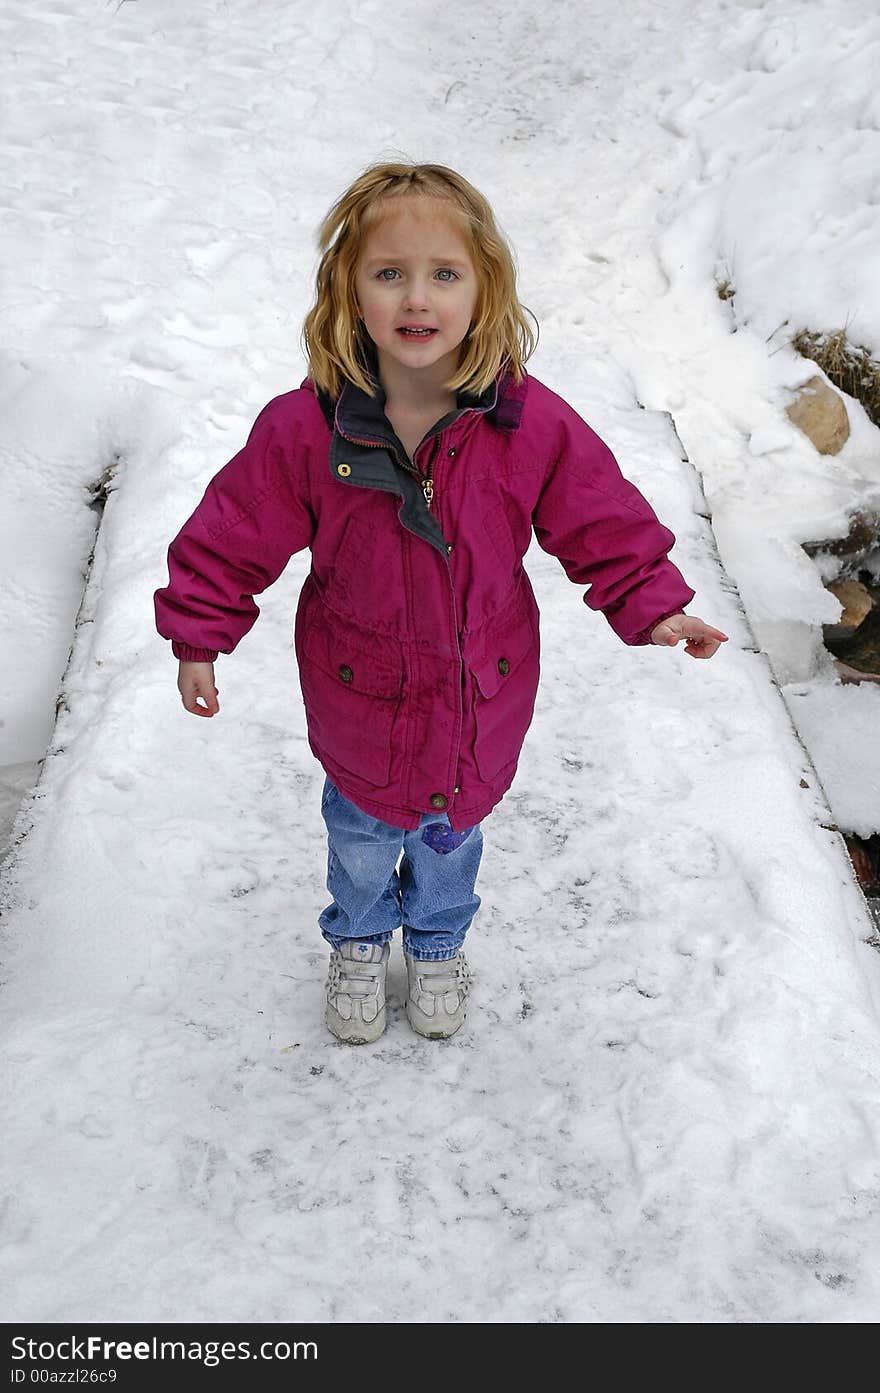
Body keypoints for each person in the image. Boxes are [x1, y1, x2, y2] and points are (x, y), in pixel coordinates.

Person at [154, 162, 727, 1046]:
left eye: (443, 273)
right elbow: (232, 534)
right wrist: (199, 633)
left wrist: (652, 602)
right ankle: (357, 936)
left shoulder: (529, 425)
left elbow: (601, 517)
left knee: (451, 840)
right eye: (389, 273)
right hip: (360, 701)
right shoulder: (304, 428)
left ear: (484, 287)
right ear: (349, 289)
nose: (416, 297)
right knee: (357, 835)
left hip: (478, 700)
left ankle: (437, 939)